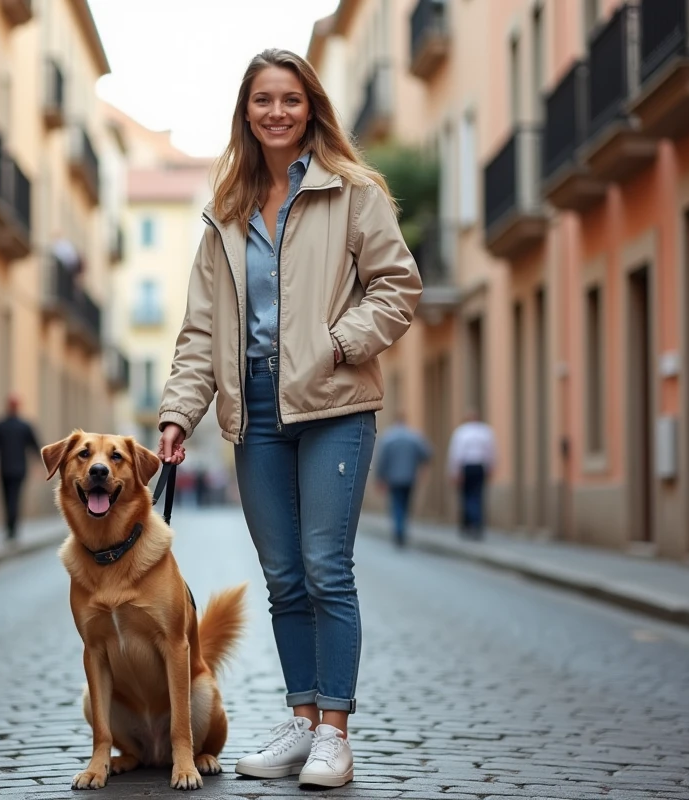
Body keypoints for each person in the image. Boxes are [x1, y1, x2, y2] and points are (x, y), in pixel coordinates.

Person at [155, 49, 421, 789]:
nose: (277, 112)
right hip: (256, 414)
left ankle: (336, 732)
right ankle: (302, 722)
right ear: (246, 111)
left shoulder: (352, 191)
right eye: (263, 100)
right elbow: (201, 332)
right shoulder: (226, 214)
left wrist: (337, 344)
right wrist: (179, 413)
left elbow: (398, 287)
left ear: (311, 108)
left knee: (325, 568)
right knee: (283, 579)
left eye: (291, 100)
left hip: (335, 403)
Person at [0, 394, 41, 541]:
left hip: (9, 468)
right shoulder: (19, 426)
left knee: (9, 498)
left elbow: (34, 446)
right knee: (12, 498)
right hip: (15, 468)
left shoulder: (4, 425)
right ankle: (11, 527)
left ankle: (11, 527)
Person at [374, 411, 432, 547]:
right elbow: (427, 454)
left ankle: (398, 531)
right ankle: (402, 530)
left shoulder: (389, 438)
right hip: (409, 477)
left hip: (393, 478)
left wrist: (379, 478)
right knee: (405, 504)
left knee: (397, 505)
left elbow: (382, 459)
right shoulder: (414, 437)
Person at [447, 409, 497, 539]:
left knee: (467, 496)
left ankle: (472, 523)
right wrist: (491, 466)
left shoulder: (461, 432)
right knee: (478, 495)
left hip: (467, 467)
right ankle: (476, 523)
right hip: (480, 466)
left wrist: (455, 471)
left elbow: (456, 453)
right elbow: (491, 451)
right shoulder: (485, 432)